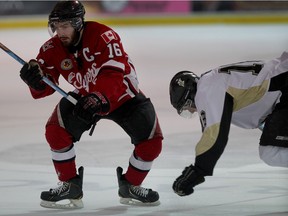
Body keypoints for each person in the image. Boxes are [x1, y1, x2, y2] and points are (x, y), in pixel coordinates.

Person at [19, 0, 163, 209]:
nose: (60, 32)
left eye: (65, 26)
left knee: (151, 142)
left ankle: (131, 185)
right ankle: (70, 185)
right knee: (56, 130)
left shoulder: (104, 36)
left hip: (122, 96)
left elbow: (114, 75)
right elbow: (45, 86)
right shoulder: (52, 48)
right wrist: (35, 81)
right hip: (87, 96)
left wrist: (98, 97)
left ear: (78, 23)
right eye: (57, 27)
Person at [169, 52, 288, 196]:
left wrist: (196, 172)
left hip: (283, 86)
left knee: (271, 152)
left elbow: (214, 136)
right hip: (282, 86)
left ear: (189, 97)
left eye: (187, 108)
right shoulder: (213, 82)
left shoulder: (205, 92)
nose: (192, 111)